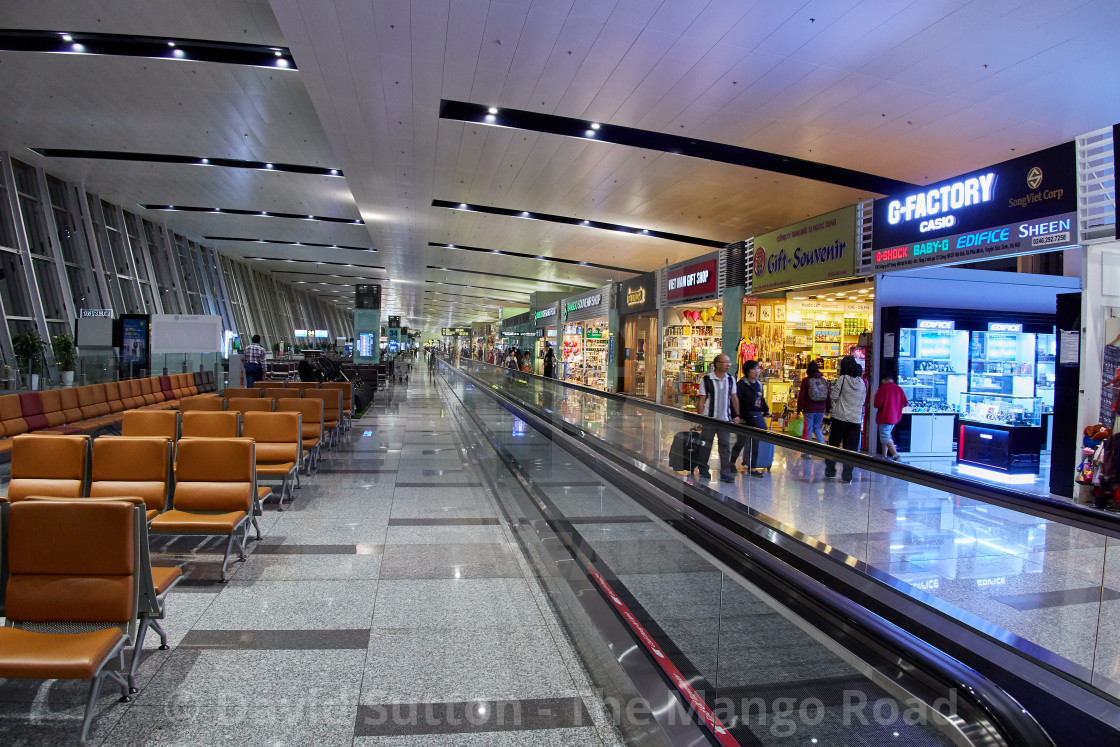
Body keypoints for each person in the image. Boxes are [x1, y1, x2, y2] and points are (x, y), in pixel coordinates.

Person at [695, 353, 741, 483]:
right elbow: (702, 400)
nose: (728, 365)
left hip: (725, 420)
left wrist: (736, 415)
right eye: (725, 362)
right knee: (706, 445)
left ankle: (725, 472)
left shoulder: (731, 380)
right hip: (710, 419)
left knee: (725, 446)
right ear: (717, 364)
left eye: (729, 362)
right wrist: (700, 418)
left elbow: (734, 398)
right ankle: (703, 468)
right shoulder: (707, 379)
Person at [824, 355, 867, 483]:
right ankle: (847, 475)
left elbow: (834, 396)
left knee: (833, 445)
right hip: (855, 420)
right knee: (851, 449)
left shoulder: (842, 379)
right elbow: (863, 401)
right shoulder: (862, 382)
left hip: (840, 418)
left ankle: (831, 471)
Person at [730, 359, 768, 477]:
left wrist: (766, 410)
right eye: (753, 369)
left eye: (757, 368)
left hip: (755, 418)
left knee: (755, 442)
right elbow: (734, 400)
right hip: (743, 419)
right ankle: (731, 462)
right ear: (747, 371)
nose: (756, 371)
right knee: (740, 442)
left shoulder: (758, 385)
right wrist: (735, 415)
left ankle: (753, 466)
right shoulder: (741, 385)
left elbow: (761, 400)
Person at [796, 361, 830, 455]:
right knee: (817, 427)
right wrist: (827, 409)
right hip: (820, 409)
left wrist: (799, 410)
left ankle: (808, 452)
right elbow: (828, 395)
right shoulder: (823, 380)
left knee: (809, 429)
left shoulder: (806, 381)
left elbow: (801, 396)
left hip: (809, 408)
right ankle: (823, 447)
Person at [873, 370, 909, 461]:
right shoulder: (899, 389)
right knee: (887, 435)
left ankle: (895, 454)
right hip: (895, 417)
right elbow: (905, 403)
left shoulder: (883, 389)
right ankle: (884, 456)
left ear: (883, 380)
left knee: (885, 436)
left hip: (884, 416)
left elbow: (877, 404)